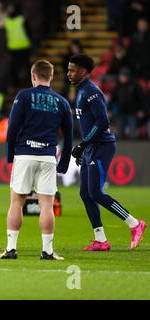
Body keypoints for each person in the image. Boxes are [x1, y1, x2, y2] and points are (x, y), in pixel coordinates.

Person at [68, 54, 147, 251]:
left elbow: (103, 122)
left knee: (96, 193)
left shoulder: (91, 92)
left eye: (73, 70)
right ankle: (101, 240)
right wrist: (84, 147)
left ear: (84, 72)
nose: (69, 73)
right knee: (85, 194)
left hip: (101, 146)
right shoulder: (80, 91)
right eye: (68, 69)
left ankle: (135, 224)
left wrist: (83, 144)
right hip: (91, 147)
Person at [0, 60, 73, 260]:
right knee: (47, 205)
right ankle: (47, 251)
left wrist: (10, 154)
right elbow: (69, 135)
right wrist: (64, 162)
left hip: (25, 154)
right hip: (48, 157)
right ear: (51, 77)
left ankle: (11, 249)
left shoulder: (23, 96)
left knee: (17, 201)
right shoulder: (62, 102)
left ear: (33, 76)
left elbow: (12, 128)